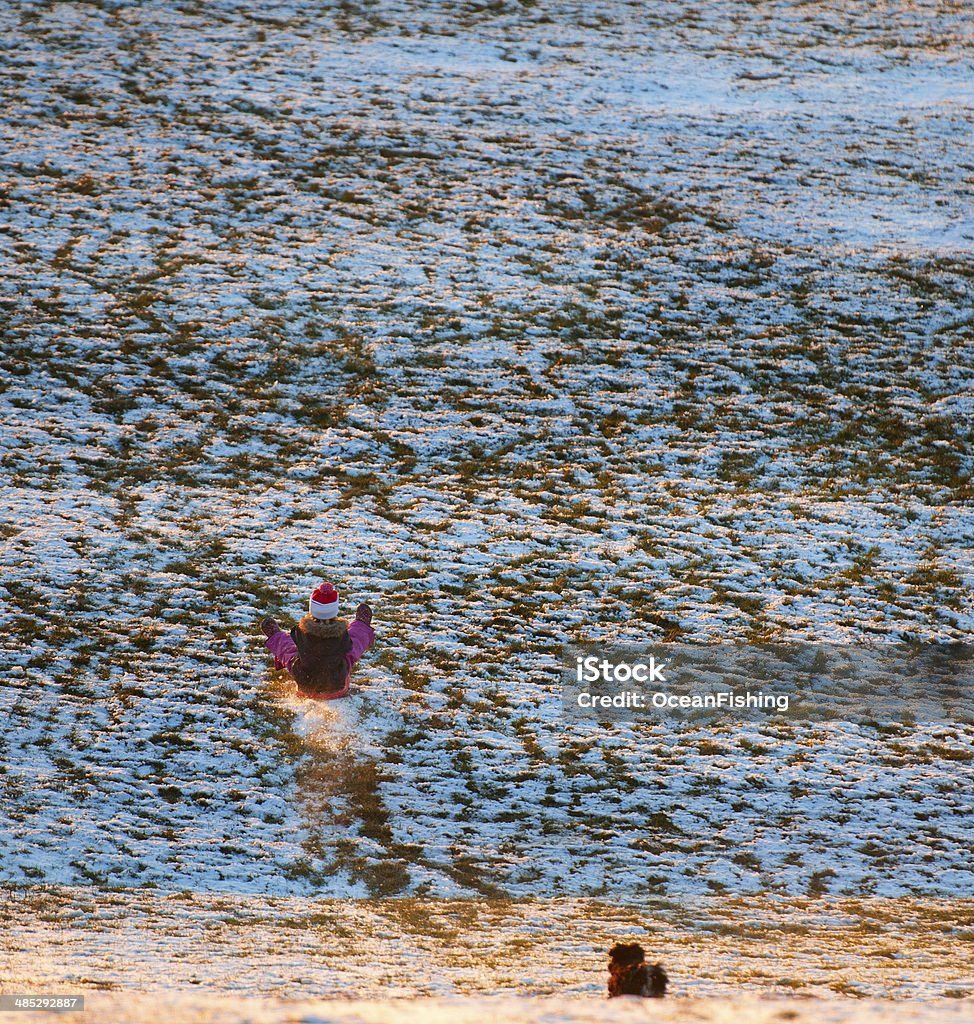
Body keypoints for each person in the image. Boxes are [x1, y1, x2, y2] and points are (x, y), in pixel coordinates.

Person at [261, 581, 375, 700]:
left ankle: (276, 636)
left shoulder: (300, 631)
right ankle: (361, 625)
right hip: (336, 685)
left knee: (289, 651)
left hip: (305, 682)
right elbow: (348, 647)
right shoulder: (341, 634)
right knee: (353, 647)